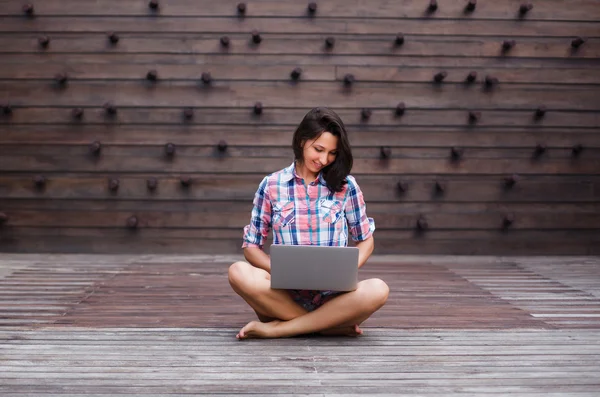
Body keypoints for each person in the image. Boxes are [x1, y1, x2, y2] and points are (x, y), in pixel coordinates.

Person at [228, 107, 389, 339]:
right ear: (302, 141)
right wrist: (282, 270)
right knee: (238, 272)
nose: (324, 160)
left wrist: (346, 269)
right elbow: (251, 247)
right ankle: (329, 325)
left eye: (332, 153)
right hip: (282, 296)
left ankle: (280, 328)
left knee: (378, 289)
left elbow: (366, 240)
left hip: (335, 296)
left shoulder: (346, 186)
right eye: (319, 149)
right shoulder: (272, 185)